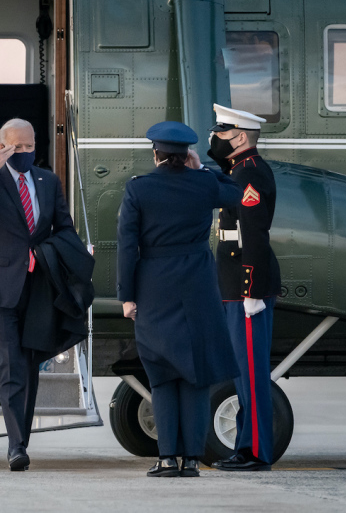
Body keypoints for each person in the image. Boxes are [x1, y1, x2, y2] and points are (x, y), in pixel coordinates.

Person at [117, 121, 241, 478]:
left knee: (162, 374)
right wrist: (202, 168)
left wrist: (127, 297)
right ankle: (191, 460)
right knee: (196, 374)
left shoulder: (139, 189)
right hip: (198, 285)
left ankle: (167, 457)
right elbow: (235, 194)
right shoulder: (203, 183)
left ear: (155, 153)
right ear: (185, 153)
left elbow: (128, 247)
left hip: (153, 286)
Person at [0, 118, 75, 471]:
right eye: (15, 147)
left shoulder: (48, 181)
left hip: (38, 285)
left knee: (30, 362)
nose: (23, 152)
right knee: (11, 361)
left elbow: (62, 227)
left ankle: (21, 437)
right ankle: (16, 446)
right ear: (1, 146)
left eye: (28, 146)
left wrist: (69, 256)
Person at [207, 104, 282, 472]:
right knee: (241, 373)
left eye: (220, 133)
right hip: (235, 287)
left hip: (245, 289)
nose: (214, 138)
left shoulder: (249, 174)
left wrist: (250, 290)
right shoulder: (237, 171)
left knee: (251, 374)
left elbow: (253, 234)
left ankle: (255, 452)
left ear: (239, 136)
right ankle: (245, 446)